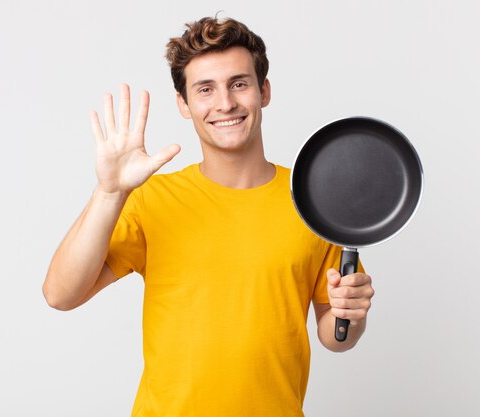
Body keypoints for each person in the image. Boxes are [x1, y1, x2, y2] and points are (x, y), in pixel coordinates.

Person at [43, 16, 374, 416]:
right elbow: (60, 294)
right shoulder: (152, 200)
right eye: (205, 89)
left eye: (239, 83)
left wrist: (349, 315)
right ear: (184, 104)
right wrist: (110, 192)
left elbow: (334, 336)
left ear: (263, 90)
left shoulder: (310, 200)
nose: (225, 103)